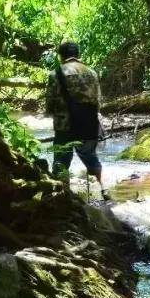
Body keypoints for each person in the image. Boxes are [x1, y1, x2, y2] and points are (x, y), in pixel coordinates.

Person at [46, 41, 107, 199]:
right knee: (91, 158)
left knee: (61, 162)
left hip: (64, 125)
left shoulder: (56, 74)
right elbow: (97, 101)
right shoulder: (92, 73)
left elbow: (50, 103)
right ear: (78, 55)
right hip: (88, 124)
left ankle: (62, 196)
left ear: (61, 56)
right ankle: (104, 190)